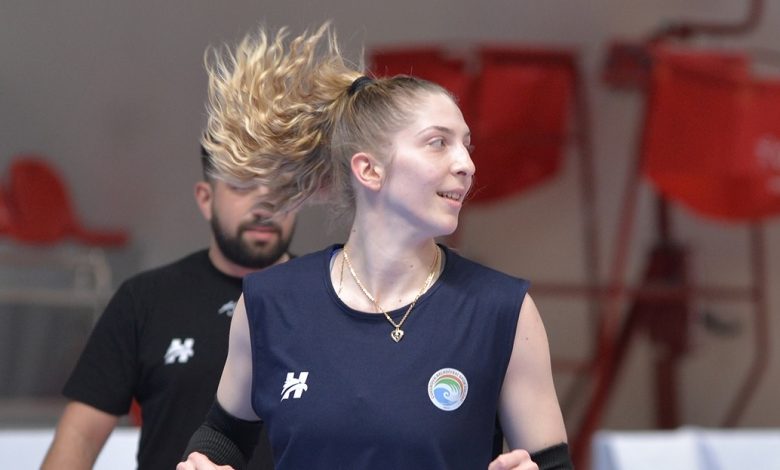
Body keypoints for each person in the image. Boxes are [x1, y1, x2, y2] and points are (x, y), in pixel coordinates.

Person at [179, 22, 573, 470]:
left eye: (467, 145)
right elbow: (223, 434)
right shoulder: (270, 302)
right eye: (438, 143)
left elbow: (552, 464)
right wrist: (202, 463)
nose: (467, 164)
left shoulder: (502, 310)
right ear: (369, 170)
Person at [40, 144, 297, 469]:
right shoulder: (146, 298)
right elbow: (81, 436)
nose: (266, 204)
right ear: (206, 198)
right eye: (243, 185)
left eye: (283, 186)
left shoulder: (327, 299)